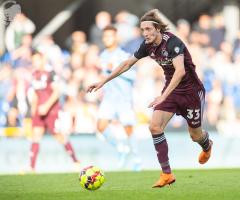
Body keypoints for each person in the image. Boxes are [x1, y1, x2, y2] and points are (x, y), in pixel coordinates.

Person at [87, 9, 213, 187]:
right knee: (154, 126)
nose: (145, 33)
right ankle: (166, 174)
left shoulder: (173, 43)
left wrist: (162, 96)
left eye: (148, 29)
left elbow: (180, 71)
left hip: (191, 92)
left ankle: (207, 145)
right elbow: (127, 64)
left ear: (158, 29)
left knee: (195, 135)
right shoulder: (146, 46)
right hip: (172, 91)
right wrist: (103, 81)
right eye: (142, 30)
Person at [96, 25, 140, 169]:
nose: (108, 39)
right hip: (109, 98)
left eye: (110, 36)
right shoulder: (102, 55)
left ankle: (136, 159)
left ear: (116, 38)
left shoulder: (123, 55)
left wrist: (114, 69)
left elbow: (133, 76)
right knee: (101, 126)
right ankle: (121, 148)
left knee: (128, 129)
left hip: (123, 99)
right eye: (105, 36)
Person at [29, 52, 79, 171]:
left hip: (51, 111)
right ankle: (31, 167)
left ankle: (75, 160)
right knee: (35, 136)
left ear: (42, 60)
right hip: (39, 111)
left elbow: (56, 92)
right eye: (33, 61)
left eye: (37, 60)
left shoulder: (50, 73)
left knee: (59, 136)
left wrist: (46, 106)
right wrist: (33, 110)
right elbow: (36, 94)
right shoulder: (34, 74)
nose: (35, 63)